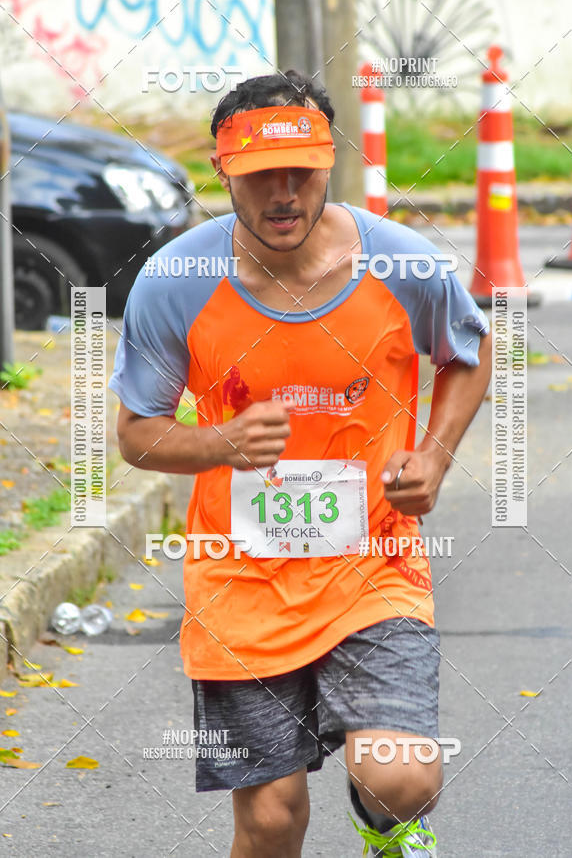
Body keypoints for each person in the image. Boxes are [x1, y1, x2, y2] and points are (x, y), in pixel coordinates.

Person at [109, 69, 491, 857]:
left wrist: (435, 457)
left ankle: (384, 828)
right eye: (259, 177)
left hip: (374, 564)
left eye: (302, 172)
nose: (283, 194)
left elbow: (470, 352)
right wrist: (219, 443)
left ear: (331, 163)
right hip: (240, 577)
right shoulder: (176, 282)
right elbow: (136, 433)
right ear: (223, 173)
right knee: (273, 817)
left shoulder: (401, 264)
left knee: (401, 774)